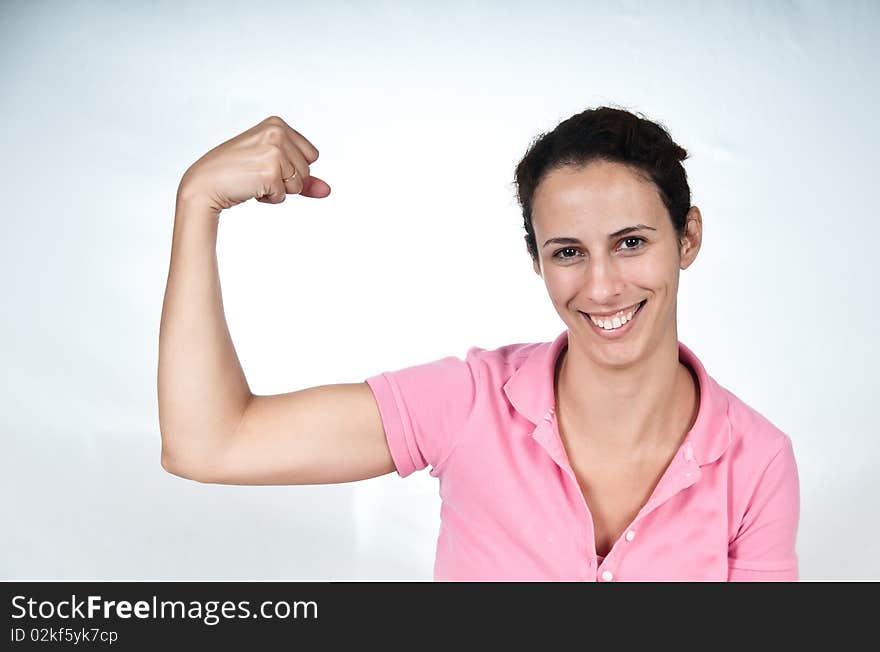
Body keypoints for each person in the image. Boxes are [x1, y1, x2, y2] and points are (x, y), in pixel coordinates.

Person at [158, 107, 800, 582]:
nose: (602, 286)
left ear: (687, 238)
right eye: (568, 252)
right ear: (537, 261)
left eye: (631, 242)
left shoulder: (758, 462)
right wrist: (197, 204)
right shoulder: (469, 403)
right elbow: (210, 443)